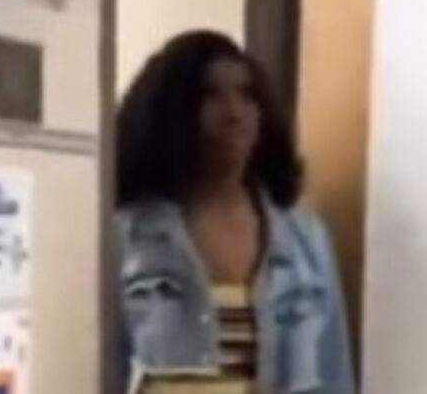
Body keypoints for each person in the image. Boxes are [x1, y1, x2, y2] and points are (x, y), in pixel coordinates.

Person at [115, 30, 355, 393]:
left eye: (247, 95)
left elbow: (334, 378)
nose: (234, 112)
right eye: (210, 96)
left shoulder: (304, 241)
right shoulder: (126, 238)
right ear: (170, 113)